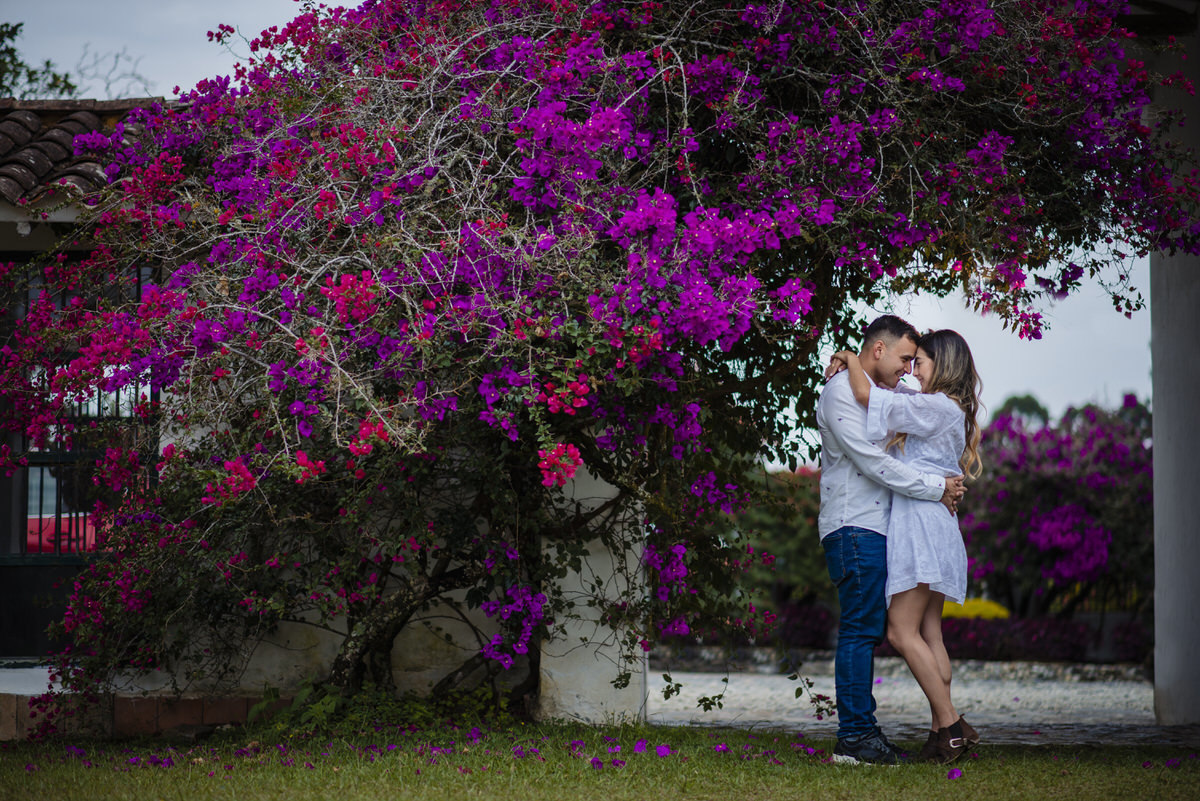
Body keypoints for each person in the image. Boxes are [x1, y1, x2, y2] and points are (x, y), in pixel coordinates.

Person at [816, 315, 966, 766]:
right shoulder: (841, 392)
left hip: (885, 529)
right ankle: (858, 738)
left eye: (915, 362)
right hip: (854, 525)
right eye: (905, 359)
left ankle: (934, 730)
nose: (908, 370)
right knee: (863, 631)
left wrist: (845, 353)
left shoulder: (894, 394)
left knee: (887, 631)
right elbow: (872, 464)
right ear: (877, 350)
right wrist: (937, 487)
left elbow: (892, 407)